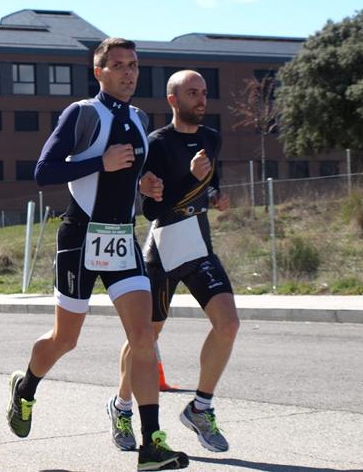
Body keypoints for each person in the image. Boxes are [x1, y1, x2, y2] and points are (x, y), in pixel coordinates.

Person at [6, 38, 189, 470]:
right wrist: (99, 163)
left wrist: (146, 184)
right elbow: (43, 172)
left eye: (134, 65)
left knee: (143, 338)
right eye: (119, 65)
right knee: (65, 339)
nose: (128, 73)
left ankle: (151, 445)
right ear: (99, 72)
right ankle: (26, 387)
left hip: (122, 237)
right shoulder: (83, 113)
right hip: (80, 236)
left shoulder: (142, 119)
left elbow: (134, 171)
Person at [110, 69, 239, 454]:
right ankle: (121, 407)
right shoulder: (156, 144)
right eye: (192, 93)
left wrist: (216, 196)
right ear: (173, 100)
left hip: (199, 247)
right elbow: (152, 209)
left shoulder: (211, 139)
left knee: (229, 324)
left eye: (204, 92)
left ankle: (201, 407)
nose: (201, 99)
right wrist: (188, 177)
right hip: (163, 251)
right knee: (145, 339)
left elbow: (209, 184)